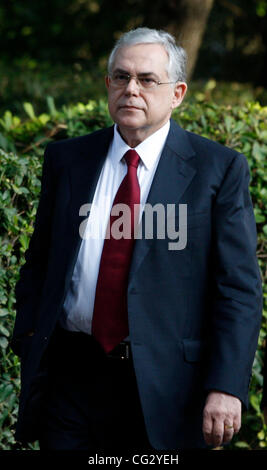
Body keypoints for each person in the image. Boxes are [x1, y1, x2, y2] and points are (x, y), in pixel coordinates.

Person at [11, 27, 262, 451]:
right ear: (108, 85)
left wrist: (226, 385)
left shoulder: (218, 170)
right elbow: (41, 260)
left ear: (177, 93)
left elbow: (238, 290)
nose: (131, 89)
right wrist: (29, 337)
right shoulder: (67, 159)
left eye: (147, 79)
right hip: (71, 379)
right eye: (120, 77)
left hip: (167, 389)